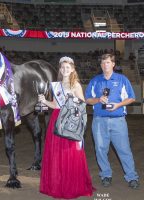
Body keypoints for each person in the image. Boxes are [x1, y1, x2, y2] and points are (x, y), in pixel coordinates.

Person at [39, 56, 95, 199]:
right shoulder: (56, 85)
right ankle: (57, 184)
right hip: (56, 119)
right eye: (62, 67)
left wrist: (72, 100)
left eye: (68, 67)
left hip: (69, 121)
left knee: (70, 153)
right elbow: (55, 105)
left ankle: (71, 185)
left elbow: (82, 104)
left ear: (72, 69)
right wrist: (44, 101)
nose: (65, 70)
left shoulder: (75, 84)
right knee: (56, 154)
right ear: (60, 69)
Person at [85, 53, 139, 189]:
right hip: (99, 121)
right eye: (103, 63)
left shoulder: (122, 79)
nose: (105, 65)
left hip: (118, 121)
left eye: (108, 62)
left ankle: (132, 177)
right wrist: (98, 100)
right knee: (100, 150)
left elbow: (131, 98)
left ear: (113, 64)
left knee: (124, 150)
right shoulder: (95, 80)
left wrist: (118, 105)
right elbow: (87, 99)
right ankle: (106, 175)